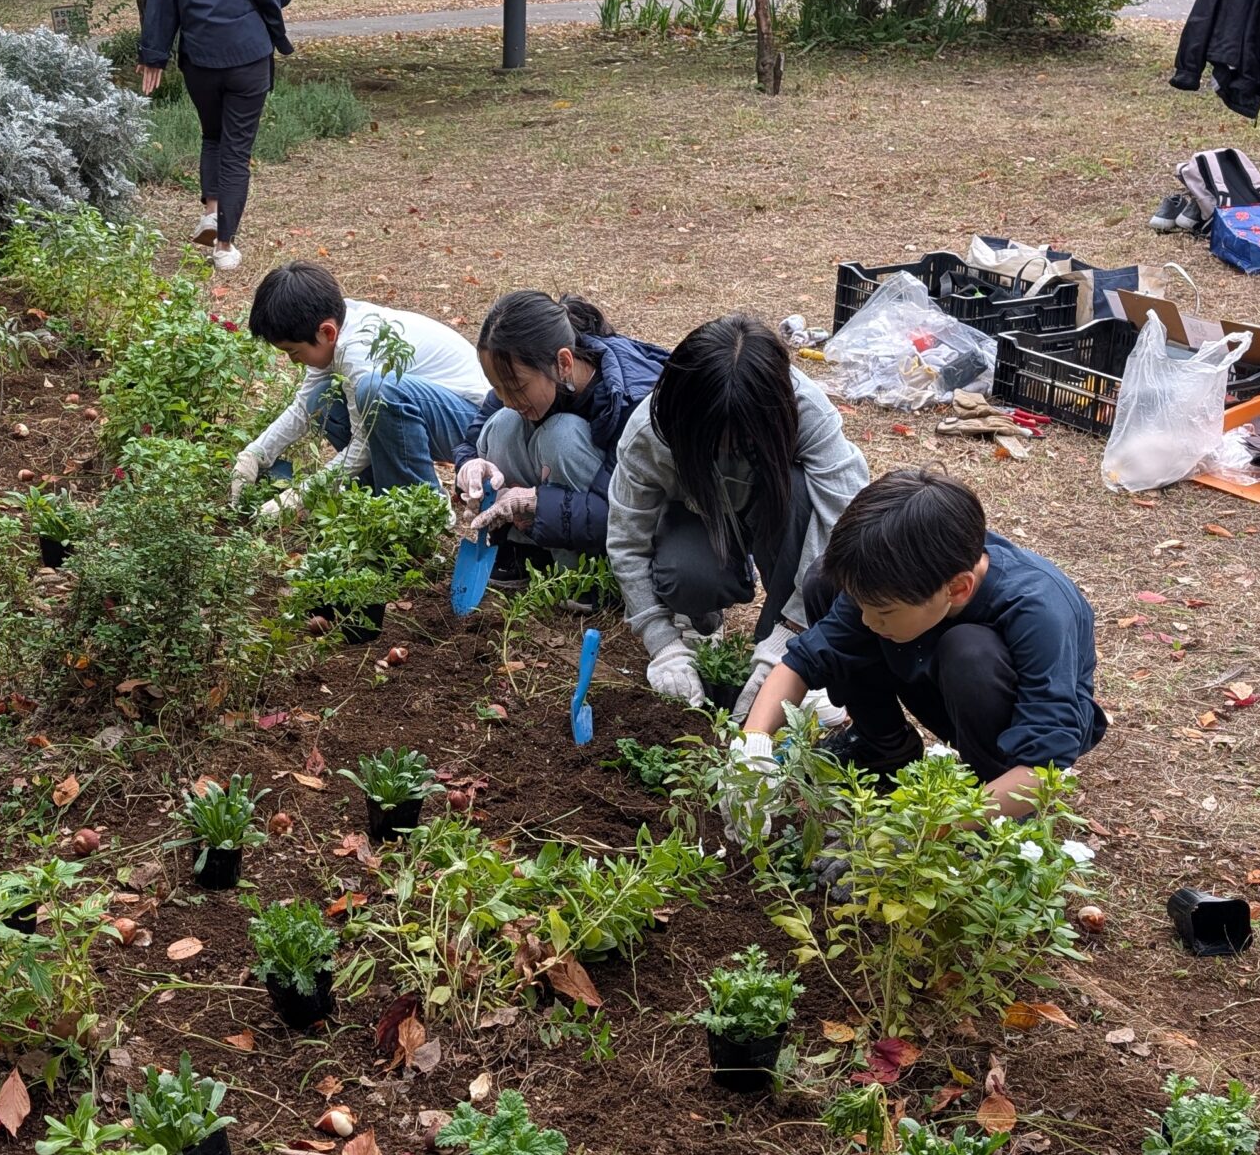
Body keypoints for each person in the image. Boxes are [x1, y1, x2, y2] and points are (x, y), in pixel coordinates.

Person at [740, 468, 1107, 816]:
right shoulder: (900, 576)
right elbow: (803, 662)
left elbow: (1043, 768)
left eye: (883, 611)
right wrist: (752, 746)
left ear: (959, 588)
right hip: (928, 669)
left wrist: (932, 824)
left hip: (1001, 714)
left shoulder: (1039, 610)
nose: (868, 621)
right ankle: (883, 745)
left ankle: (997, 804)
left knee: (969, 651)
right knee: (824, 580)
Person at [606, 314, 869, 714]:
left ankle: (792, 654)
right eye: (714, 442)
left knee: (804, 492)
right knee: (685, 573)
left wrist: (792, 634)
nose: (730, 451)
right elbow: (627, 540)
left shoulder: (801, 407)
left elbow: (844, 515)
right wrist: (661, 643)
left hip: (777, 514)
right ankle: (697, 624)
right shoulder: (651, 433)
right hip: (702, 521)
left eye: (743, 441)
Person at [137, 0, 294, 275]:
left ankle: (210, 216)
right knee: (235, 149)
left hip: (200, 58)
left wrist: (154, 53)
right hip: (248, 55)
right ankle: (223, 245)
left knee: (213, 135)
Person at [232, 261, 489, 522]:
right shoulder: (335, 332)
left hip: (473, 427)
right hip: (432, 414)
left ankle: (423, 508)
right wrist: (256, 453)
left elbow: (363, 442)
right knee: (320, 398)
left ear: (326, 332)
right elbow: (302, 409)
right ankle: (382, 494)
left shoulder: (359, 351)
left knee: (376, 392)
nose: (294, 361)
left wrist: (305, 492)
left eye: (293, 352)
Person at [449, 290, 669, 570]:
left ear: (563, 363)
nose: (506, 400)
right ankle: (526, 553)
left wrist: (534, 503)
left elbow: (622, 510)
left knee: (561, 435)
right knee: (503, 425)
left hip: (638, 527)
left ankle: (591, 572)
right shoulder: (521, 376)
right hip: (572, 514)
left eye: (515, 389)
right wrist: (469, 466)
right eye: (497, 388)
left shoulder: (629, 402)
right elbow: (470, 443)